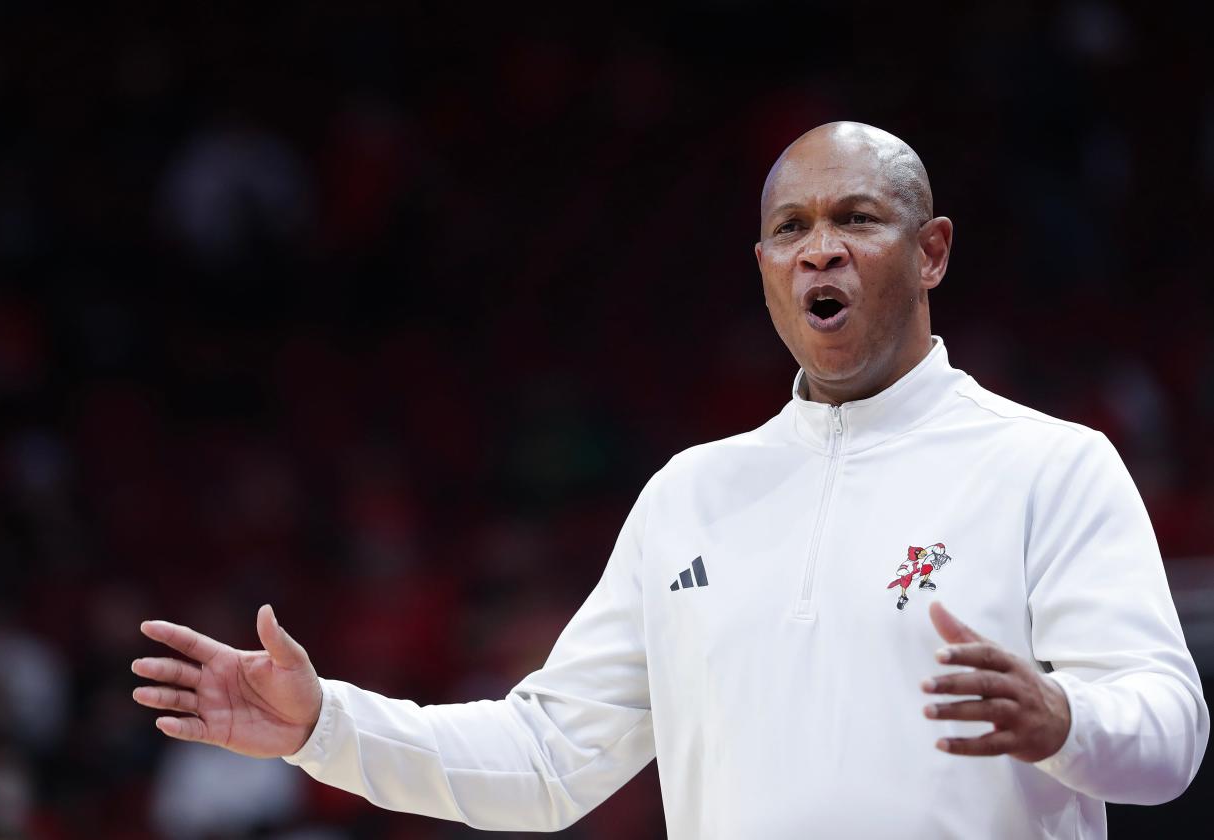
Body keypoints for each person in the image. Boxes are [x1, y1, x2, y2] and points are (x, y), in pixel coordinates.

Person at [131, 122, 1208, 838]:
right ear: (762, 271)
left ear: (928, 252)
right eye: (790, 228)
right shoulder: (690, 495)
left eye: (855, 220)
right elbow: (551, 757)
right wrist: (327, 726)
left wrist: (1066, 721)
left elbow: (1167, 734)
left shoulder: (1046, 465)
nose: (817, 251)